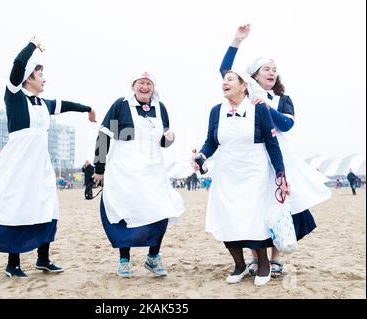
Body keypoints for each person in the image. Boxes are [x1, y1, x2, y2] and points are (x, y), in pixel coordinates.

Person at [0, 36, 96, 278]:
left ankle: (43, 259)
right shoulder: (14, 95)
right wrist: (32, 46)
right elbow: (17, 64)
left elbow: (65, 104)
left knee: (48, 205)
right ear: (28, 78)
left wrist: (88, 109)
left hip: (41, 163)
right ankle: (12, 263)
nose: (44, 79)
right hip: (18, 162)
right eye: (40, 75)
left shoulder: (43, 103)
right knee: (17, 207)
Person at [219, 24, 332, 277]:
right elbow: (226, 71)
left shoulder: (282, 99)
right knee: (254, 205)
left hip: (280, 156)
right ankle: (254, 258)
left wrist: (268, 108)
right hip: (254, 157)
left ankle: (276, 256)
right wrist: (236, 40)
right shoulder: (247, 93)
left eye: (274, 70)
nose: (271, 73)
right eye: (266, 69)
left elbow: (287, 124)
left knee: (280, 204)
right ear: (254, 76)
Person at [193, 69, 288, 286]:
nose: (224, 83)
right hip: (226, 171)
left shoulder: (259, 108)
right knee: (227, 217)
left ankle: (263, 263)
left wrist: (281, 174)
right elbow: (211, 141)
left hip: (255, 170)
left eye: (230, 79)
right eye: (224, 80)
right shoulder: (216, 111)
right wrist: (201, 155)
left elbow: (272, 144)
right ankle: (238, 264)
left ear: (244, 85)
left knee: (254, 218)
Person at [93, 71, 184, 278]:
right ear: (133, 85)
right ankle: (124, 260)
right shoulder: (121, 105)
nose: (145, 87)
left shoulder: (160, 108)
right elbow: (104, 135)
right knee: (127, 212)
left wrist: (170, 138)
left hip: (153, 169)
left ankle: (153, 257)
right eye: (141, 83)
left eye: (149, 83)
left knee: (161, 210)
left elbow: (163, 142)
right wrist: (100, 168)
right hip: (124, 169)